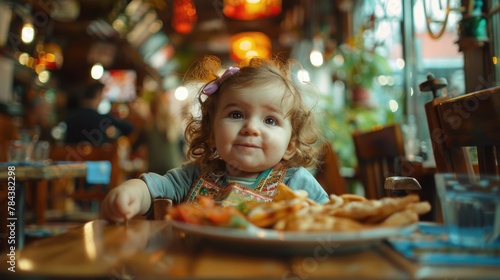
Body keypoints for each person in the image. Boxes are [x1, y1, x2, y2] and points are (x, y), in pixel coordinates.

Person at [101, 56, 329, 222]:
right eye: (236, 115)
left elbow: (329, 223)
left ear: (289, 145)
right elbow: (156, 189)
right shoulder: (193, 175)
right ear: (211, 132)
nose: (251, 128)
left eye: (270, 120)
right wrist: (133, 192)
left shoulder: (296, 183)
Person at [63, 82, 134, 146]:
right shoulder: (102, 118)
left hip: (70, 159)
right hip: (99, 159)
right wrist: (115, 134)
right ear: (98, 95)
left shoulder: (69, 117)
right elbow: (128, 128)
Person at [131, 92, 185, 174]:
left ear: (151, 108)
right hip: (174, 169)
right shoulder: (173, 124)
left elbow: (134, 147)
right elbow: (181, 148)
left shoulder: (147, 126)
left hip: (154, 170)